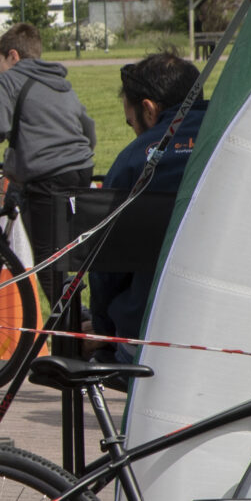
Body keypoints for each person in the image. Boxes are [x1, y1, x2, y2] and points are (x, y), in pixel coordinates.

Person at [0, 21, 96, 306]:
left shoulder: (9, 80)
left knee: (47, 260)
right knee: (61, 252)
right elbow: (88, 129)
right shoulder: (60, 83)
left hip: (47, 174)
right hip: (80, 170)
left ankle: (74, 328)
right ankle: (76, 316)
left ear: (13, 56)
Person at [90, 52, 207, 347]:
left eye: (132, 124)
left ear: (149, 110)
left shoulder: (132, 162)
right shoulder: (237, 139)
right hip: (240, 327)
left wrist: (103, 332)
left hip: (149, 330)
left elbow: (105, 265)